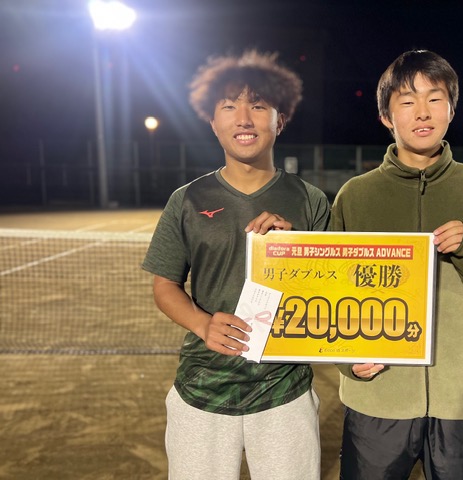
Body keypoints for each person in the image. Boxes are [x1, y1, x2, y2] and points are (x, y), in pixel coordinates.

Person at [330, 49, 463, 479]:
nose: (422, 112)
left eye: (435, 99)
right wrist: (348, 360)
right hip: (377, 399)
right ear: (386, 117)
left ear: (451, 109)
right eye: (407, 101)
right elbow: (331, 293)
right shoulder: (356, 195)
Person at [142, 50, 330, 480]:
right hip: (202, 388)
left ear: (280, 120)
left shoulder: (311, 200)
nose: (244, 118)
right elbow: (165, 285)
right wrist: (202, 324)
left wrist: (293, 250)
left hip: (284, 389)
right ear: (212, 121)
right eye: (229, 106)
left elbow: (327, 295)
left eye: (259, 106)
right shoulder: (187, 199)